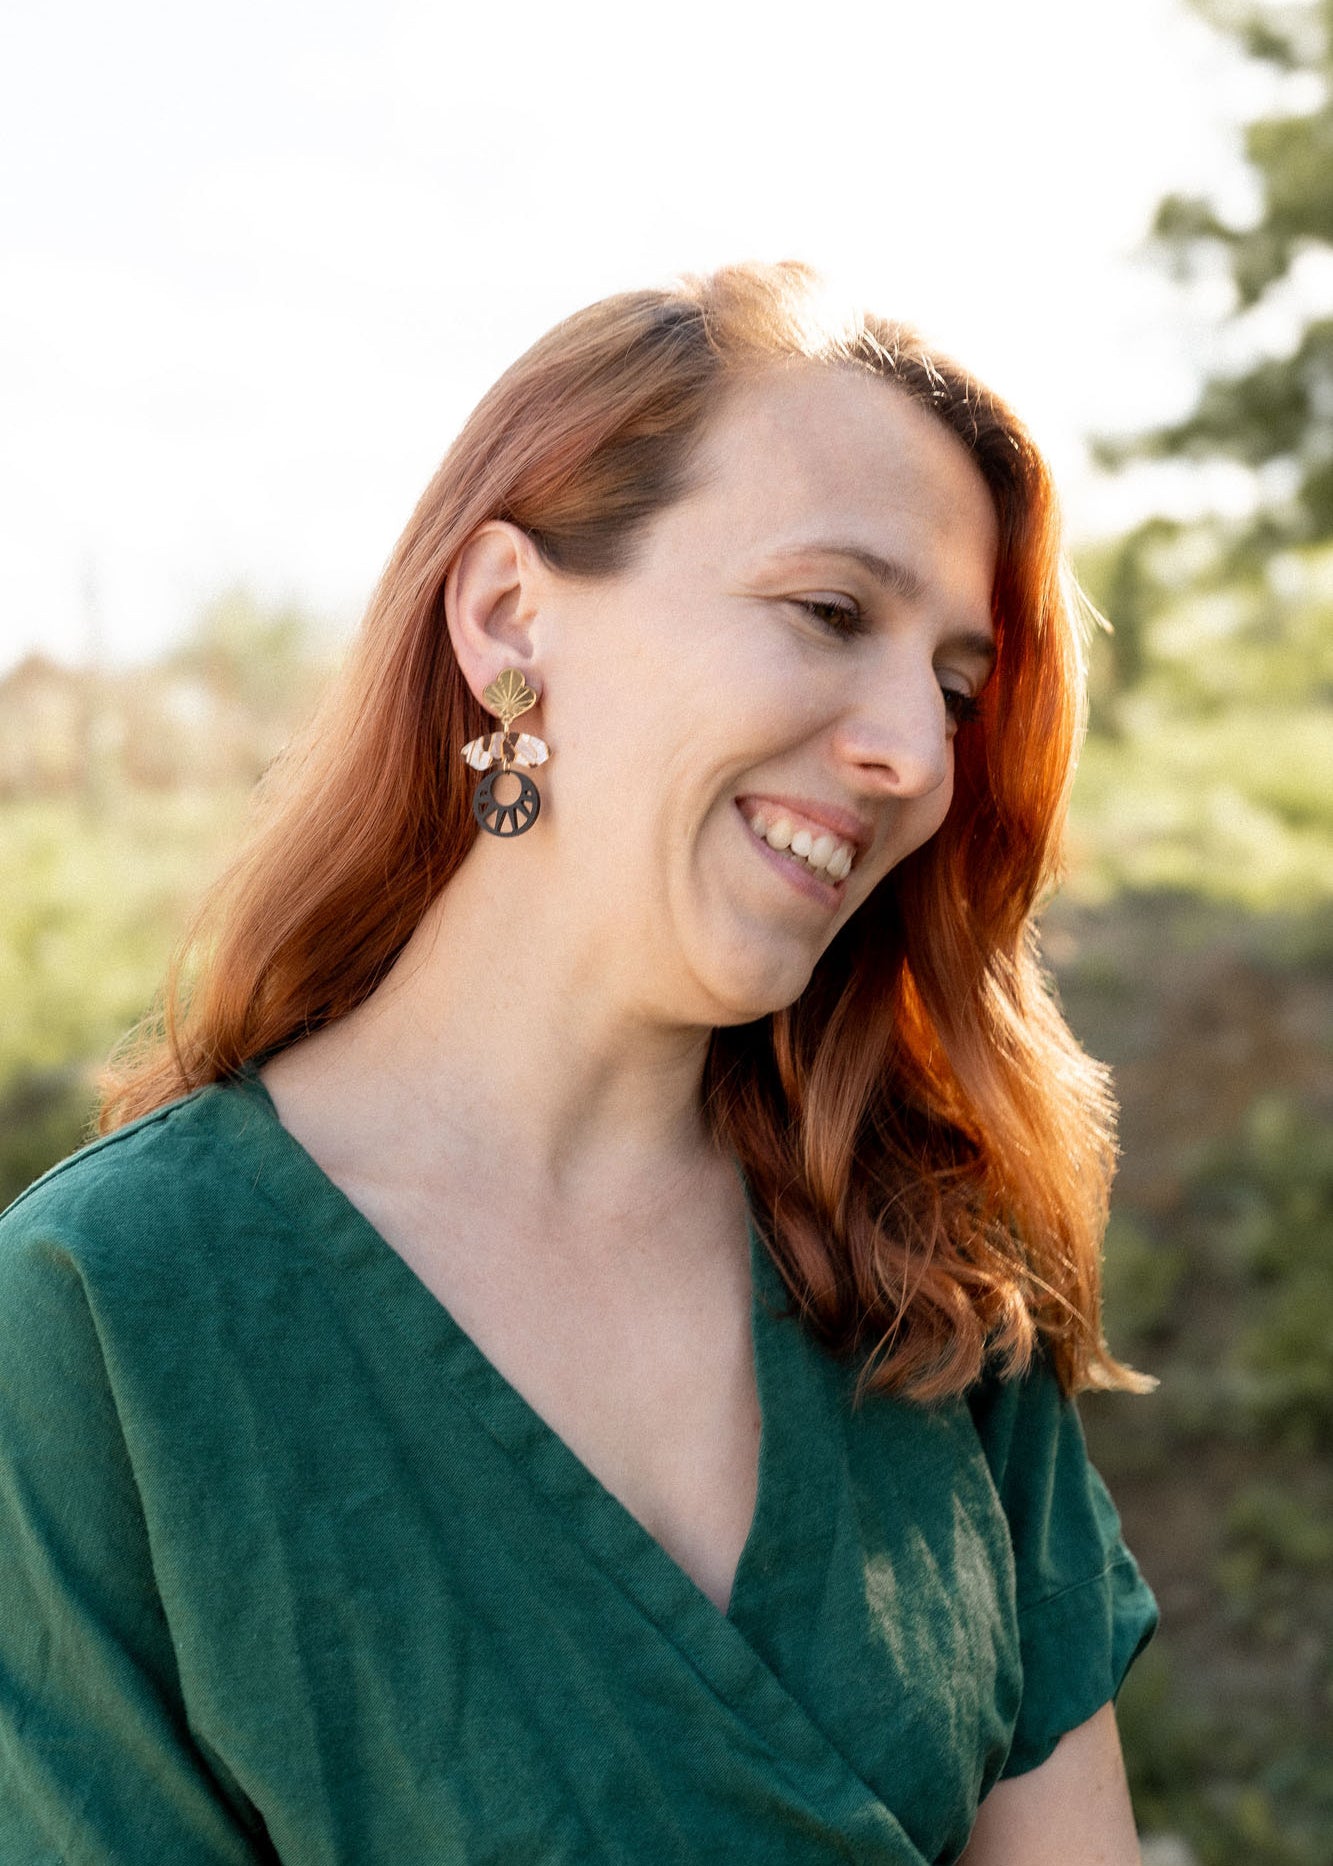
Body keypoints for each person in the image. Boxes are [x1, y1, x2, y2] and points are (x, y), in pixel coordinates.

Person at [0, 261, 1158, 1865]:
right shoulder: (108, 1315)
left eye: (955, 690)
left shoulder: (933, 1267)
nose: (914, 752)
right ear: (506, 616)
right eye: (830, 613)